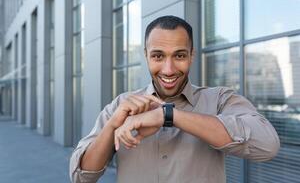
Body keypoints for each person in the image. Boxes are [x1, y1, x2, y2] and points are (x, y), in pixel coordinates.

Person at [70, 15, 280, 183]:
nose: (168, 70)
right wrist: (113, 125)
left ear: (191, 55)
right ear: (146, 55)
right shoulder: (120, 105)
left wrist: (168, 115)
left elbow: (267, 145)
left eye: (179, 55)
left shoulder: (219, 99)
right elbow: (81, 177)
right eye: (158, 56)